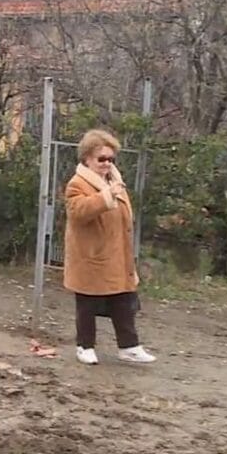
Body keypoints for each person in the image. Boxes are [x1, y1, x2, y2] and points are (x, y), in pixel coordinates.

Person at [64, 129, 156, 365]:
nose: (106, 163)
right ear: (87, 158)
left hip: (117, 255)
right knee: (86, 302)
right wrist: (105, 198)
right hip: (90, 256)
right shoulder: (78, 183)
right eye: (101, 159)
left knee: (124, 301)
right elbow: (78, 212)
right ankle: (85, 346)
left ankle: (129, 346)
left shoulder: (115, 181)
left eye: (111, 159)